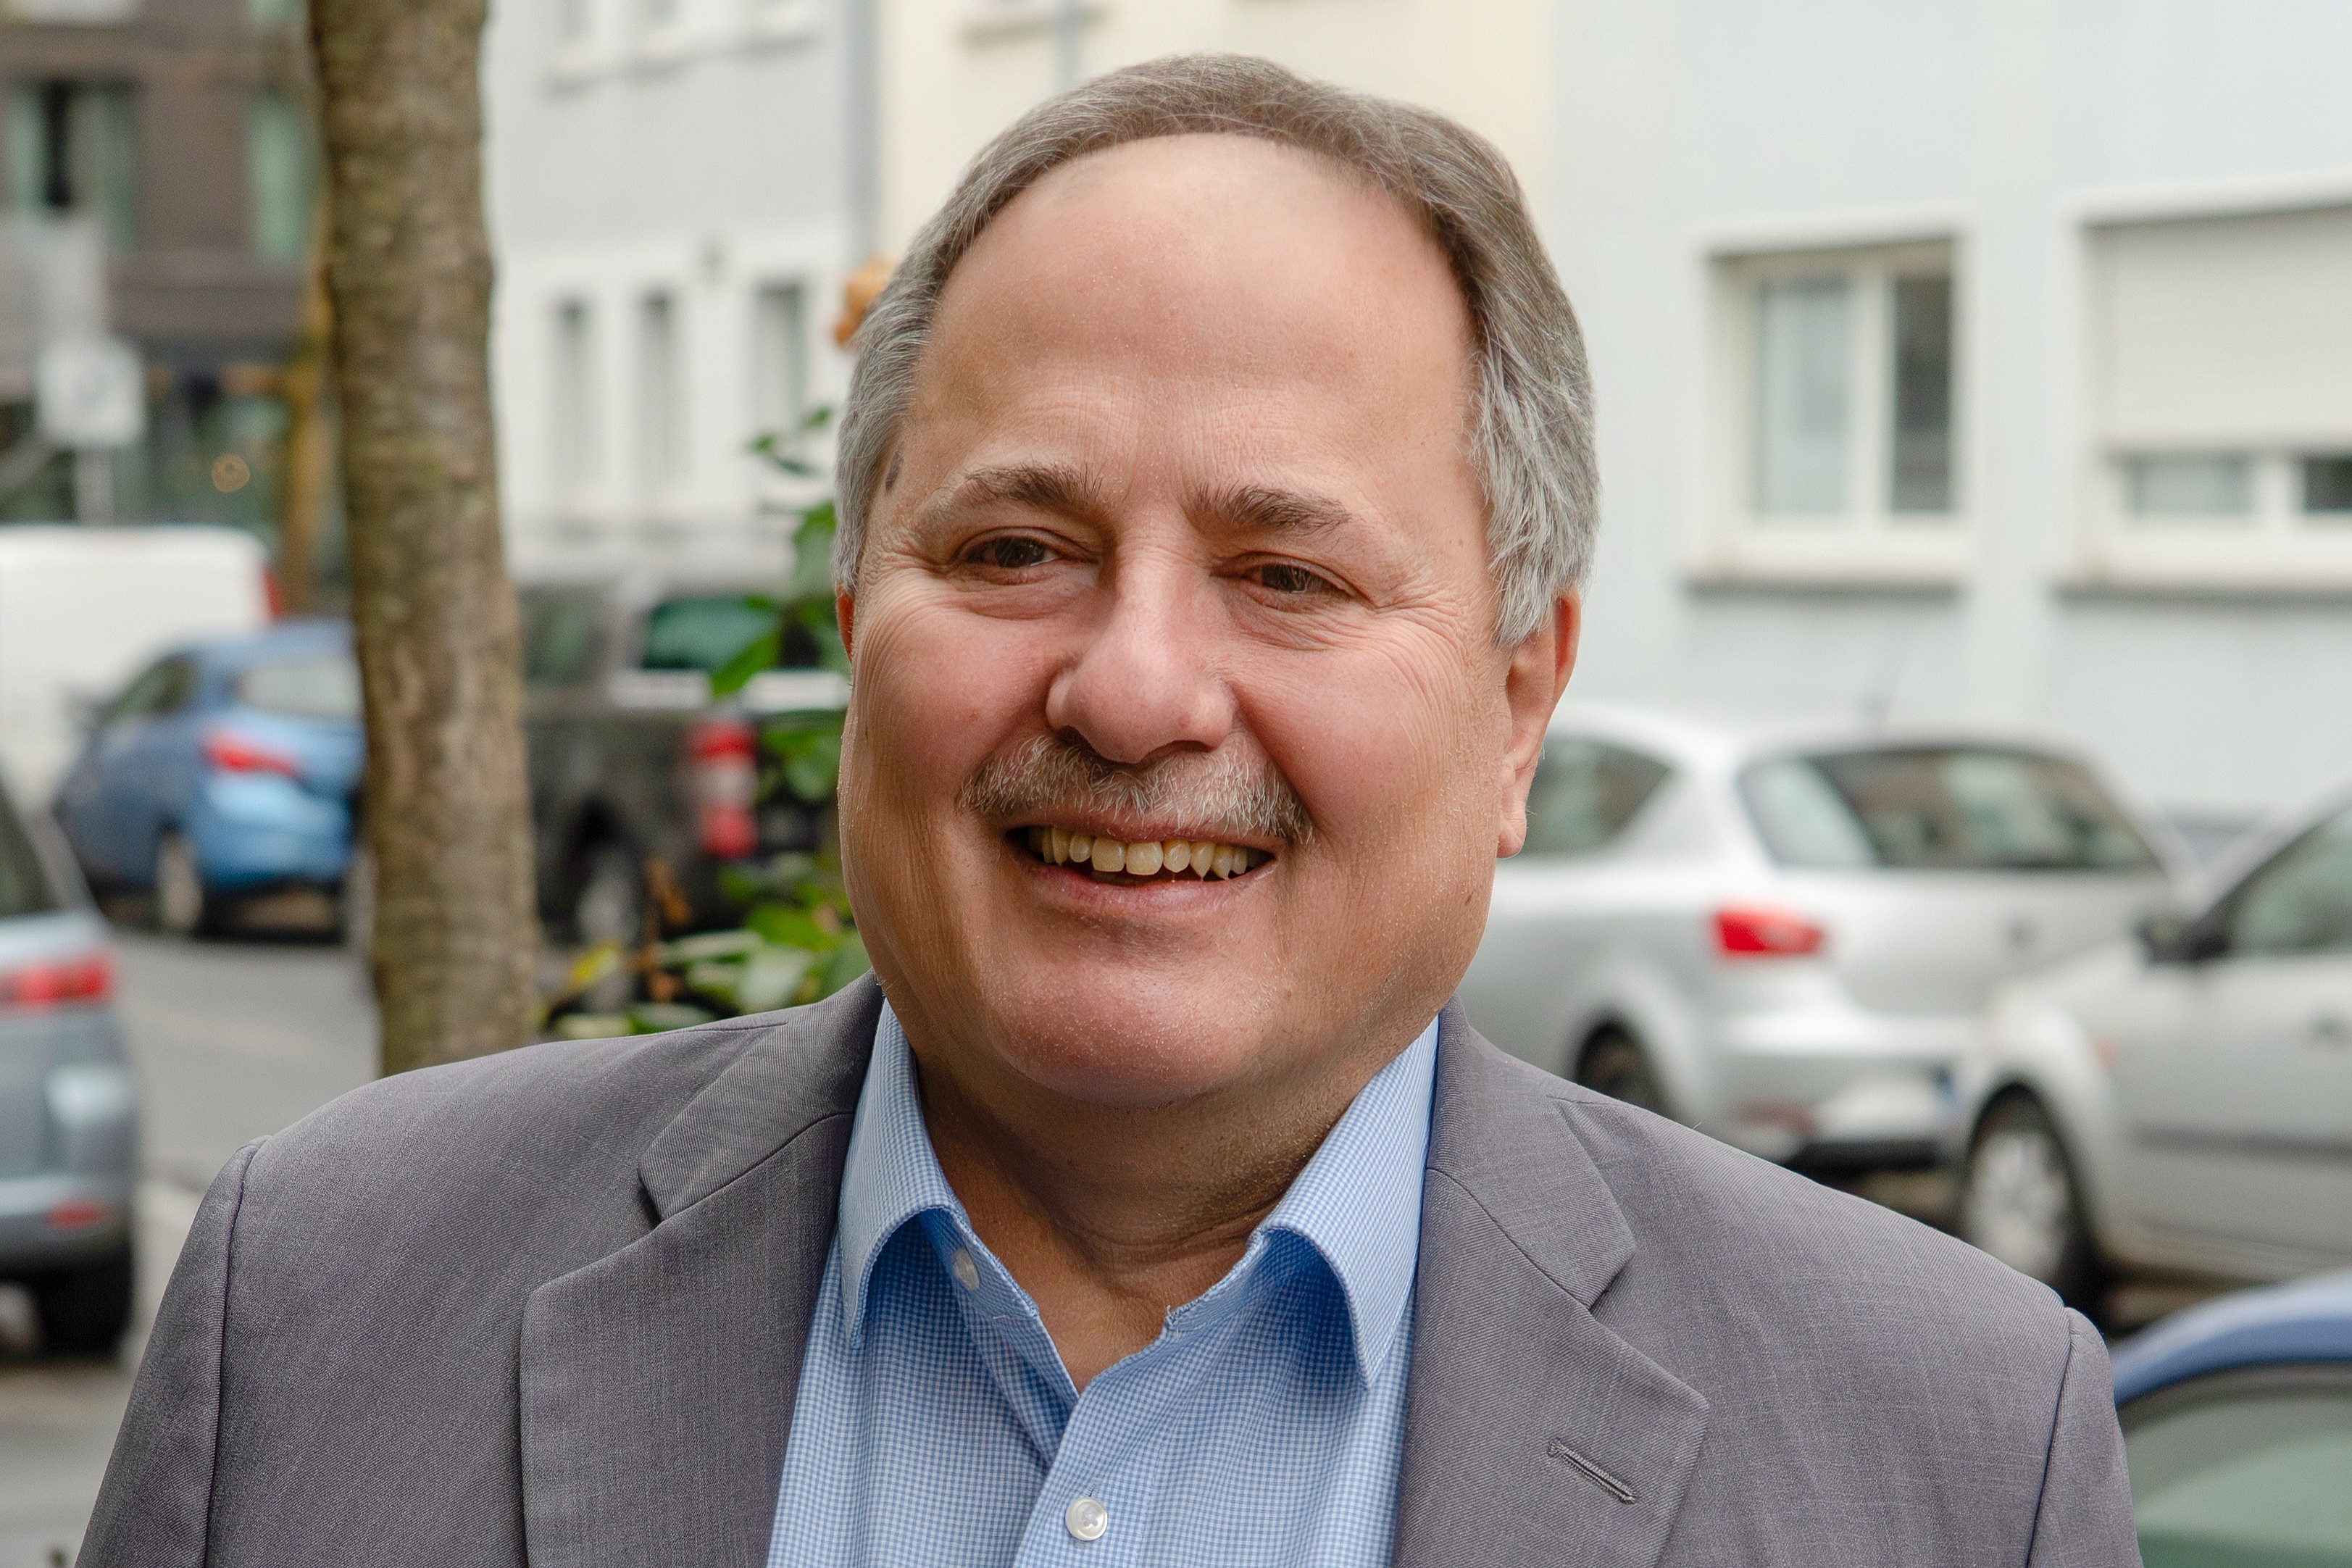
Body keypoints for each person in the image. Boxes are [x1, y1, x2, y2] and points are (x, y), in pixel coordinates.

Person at [81, 54, 2136, 1568]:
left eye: (1288, 574)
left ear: (1520, 703)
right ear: (855, 625)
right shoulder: (323, 1302)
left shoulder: (1951, 1455)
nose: (1136, 689)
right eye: (1015, 549)